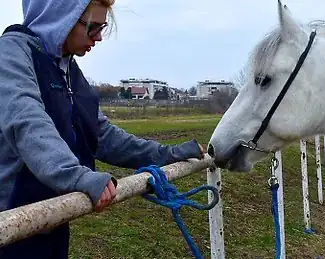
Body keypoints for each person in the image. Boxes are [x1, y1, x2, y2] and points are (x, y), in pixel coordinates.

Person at [0, 0, 205, 258]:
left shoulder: (67, 69)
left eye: (102, 28)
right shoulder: (11, 55)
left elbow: (101, 135)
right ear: (59, 18)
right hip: (9, 227)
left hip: (51, 218)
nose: (98, 38)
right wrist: (76, 176)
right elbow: (27, 122)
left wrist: (166, 155)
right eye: (92, 28)